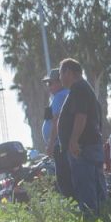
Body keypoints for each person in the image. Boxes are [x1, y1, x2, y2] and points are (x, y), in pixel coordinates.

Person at [56, 58, 106, 217]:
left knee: (85, 186)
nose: (60, 78)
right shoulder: (86, 88)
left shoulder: (78, 88)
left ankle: (92, 220)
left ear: (68, 72)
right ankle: (104, 217)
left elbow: (81, 116)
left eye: (60, 74)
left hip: (82, 147)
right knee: (96, 185)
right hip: (90, 145)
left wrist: (73, 140)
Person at [42, 68, 73, 197]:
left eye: (51, 83)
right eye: (47, 83)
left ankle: (73, 204)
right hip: (62, 144)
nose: (48, 86)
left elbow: (56, 120)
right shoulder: (60, 96)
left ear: (59, 82)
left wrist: (50, 144)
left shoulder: (60, 96)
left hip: (59, 145)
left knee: (64, 179)